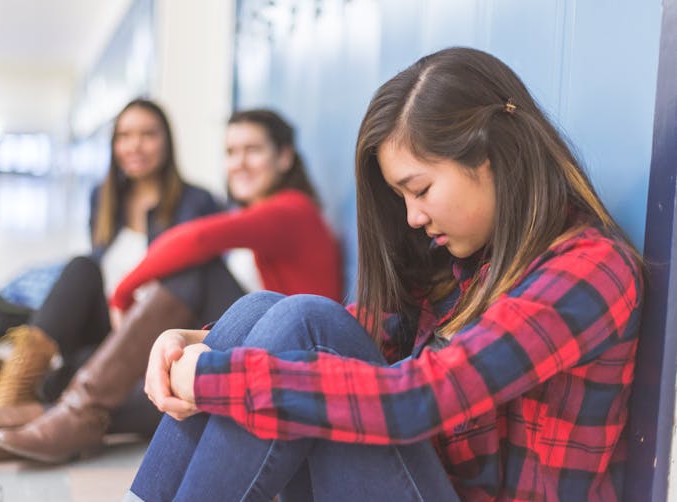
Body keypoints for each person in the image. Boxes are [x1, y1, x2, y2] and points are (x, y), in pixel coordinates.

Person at [124, 47, 644, 502]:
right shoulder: (473, 263)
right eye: (402, 199)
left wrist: (212, 375)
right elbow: (356, 327)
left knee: (301, 321)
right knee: (265, 311)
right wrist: (196, 341)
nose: (414, 218)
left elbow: (417, 400)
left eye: (419, 190)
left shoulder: (589, 271)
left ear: (490, 155)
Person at [0, 108, 342, 468]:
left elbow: (194, 241)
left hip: (276, 368)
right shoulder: (258, 216)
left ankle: (72, 411)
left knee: (193, 275)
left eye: (253, 150)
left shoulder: (292, 210)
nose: (239, 163)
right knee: (76, 391)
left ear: (284, 157)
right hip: (232, 355)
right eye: (231, 152)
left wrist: (124, 291)